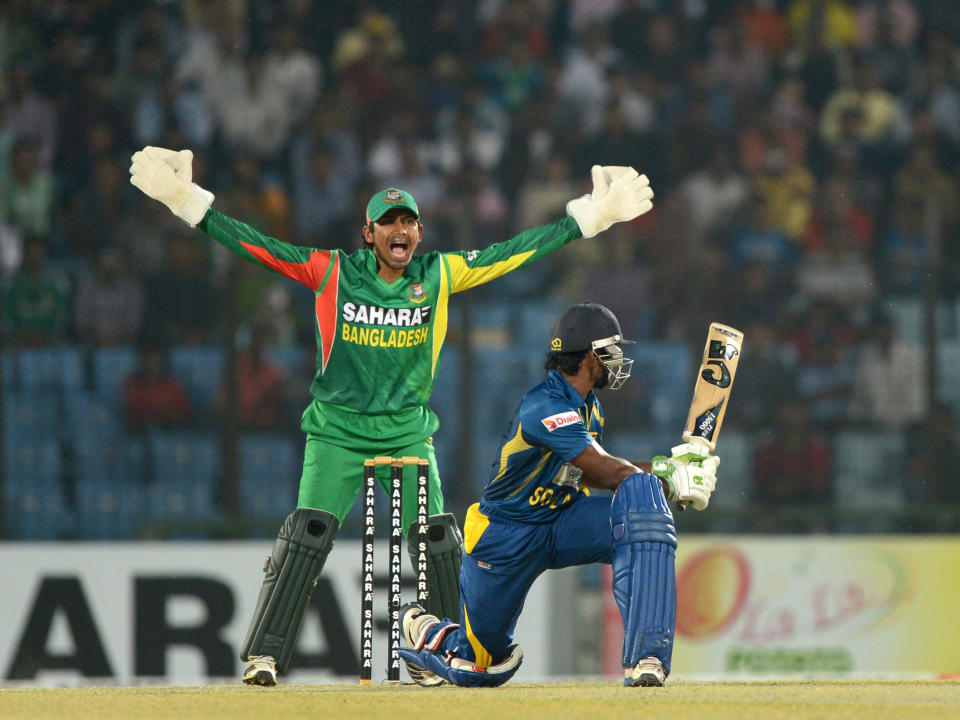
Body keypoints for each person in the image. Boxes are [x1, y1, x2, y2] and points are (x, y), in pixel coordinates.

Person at [127, 146, 655, 686]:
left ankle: (450, 651)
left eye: (407, 222)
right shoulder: (331, 272)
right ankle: (265, 655)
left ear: (419, 233)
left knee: (437, 541)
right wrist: (188, 202)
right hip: (336, 428)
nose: (398, 230)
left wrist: (589, 217)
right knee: (308, 532)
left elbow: (516, 250)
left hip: (406, 429)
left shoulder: (440, 275)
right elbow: (260, 248)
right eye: (387, 223)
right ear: (369, 233)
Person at [397, 303, 720, 688]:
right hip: (506, 535)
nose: (618, 360)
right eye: (612, 350)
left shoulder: (589, 407)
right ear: (590, 355)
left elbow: (586, 471)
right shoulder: (545, 405)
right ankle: (429, 632)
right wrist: (670, 476)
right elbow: (603, 467)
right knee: (478, 668)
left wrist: (665, 477)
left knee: (643, 506)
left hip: (564, 520)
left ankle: (647, 657)